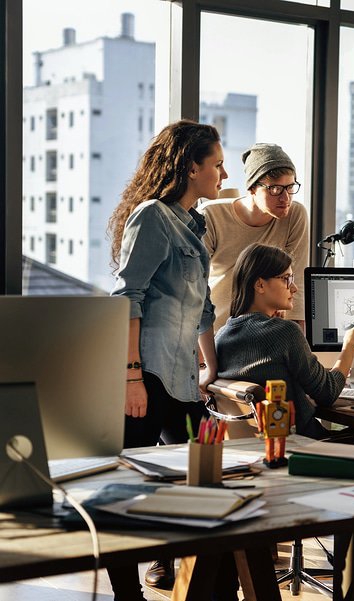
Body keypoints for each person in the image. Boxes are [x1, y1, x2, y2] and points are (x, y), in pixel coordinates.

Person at [107, 119, 225, 598]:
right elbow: (127, 297)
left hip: (182, 377)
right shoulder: (152, 216)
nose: (221, 173)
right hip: (148, 372)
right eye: (215, 164)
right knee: (122, 491)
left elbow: (204, 311)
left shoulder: (194, 223)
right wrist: (130, 376)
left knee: (206, 478)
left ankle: (206, 588)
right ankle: (126, 593)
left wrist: (210, 368)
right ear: (190, 166)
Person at [215, 243, 354, 439]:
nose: (295, 288)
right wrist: (350, 346)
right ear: (260, 285)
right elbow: (328, 393)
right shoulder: (285, 332)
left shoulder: (222, 335)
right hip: (305, 446)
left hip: (257, 451)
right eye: (286, 279)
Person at [199, 143, 309, 333]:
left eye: (290, 187)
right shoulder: (211, 216)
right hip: (217, 332)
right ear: (251, 188)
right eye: (275, 189)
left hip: (265, 335)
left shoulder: (295, 215)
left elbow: (296, 281)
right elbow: (196, 288)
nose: (285, 198)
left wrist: (298, 345)